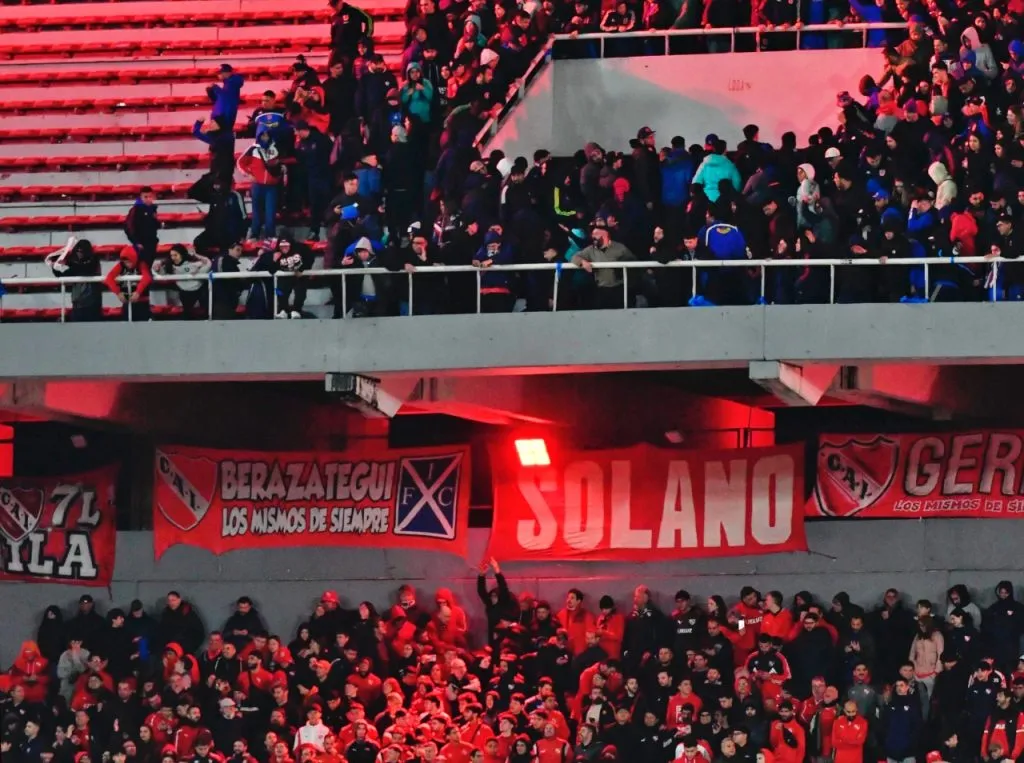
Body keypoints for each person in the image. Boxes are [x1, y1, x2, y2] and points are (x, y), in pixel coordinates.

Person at [45, 237, 102, 322]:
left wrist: (67, 262)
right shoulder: (76, 265)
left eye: (81, 251)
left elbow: (86, 269)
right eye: (78, 251)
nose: (79, 254)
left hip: (92, 303)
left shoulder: (94, 260)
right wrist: (54, 267)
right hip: (78, 304)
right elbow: (62, 276)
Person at [153, 245, 212, 319]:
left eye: (175, 255)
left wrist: (196, 255)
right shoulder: (170, 266)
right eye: (171, 255)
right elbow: (160, 272)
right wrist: (157, 268)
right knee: (187, 315)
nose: (173, 258)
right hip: (185, 292)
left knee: (206, 310)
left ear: (182, 255)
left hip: (199, 290)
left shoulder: (194, 264)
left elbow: (208, 264)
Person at [103, 246, 153, 322]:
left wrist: (138, 292)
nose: (127, 264)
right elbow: (109, 278)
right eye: (125, 262)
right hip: (127, 302)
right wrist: (118, 293)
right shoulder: (121, 265)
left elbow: (147, 277)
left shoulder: (141, 264)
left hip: (142, 303)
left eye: (129, 262)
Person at [124, 187, 159, 266]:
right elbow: (128, 227)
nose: (148, 199)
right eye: (145, 197)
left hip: (151, 244)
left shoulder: (153, 209)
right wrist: (136, 242)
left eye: (150, 197)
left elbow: (154, 226)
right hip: (141, 245)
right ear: (141, 197)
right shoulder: (135, 210)